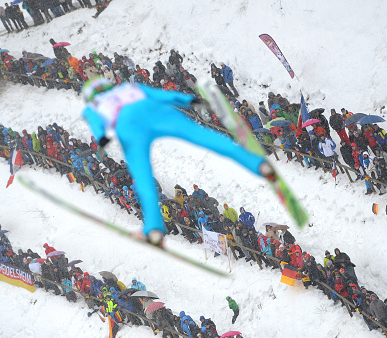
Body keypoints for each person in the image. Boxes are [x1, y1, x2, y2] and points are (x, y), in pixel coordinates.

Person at [82, 78, 274, 245]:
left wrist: (102, 137)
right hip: (159, 116)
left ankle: (154, 227)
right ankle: (254, 162)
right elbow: (164, 96)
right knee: (204, 136)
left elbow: (95, 121)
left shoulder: (97, 106)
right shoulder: (130, 90)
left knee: (143, 176)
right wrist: (189, 100)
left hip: (136, 130)